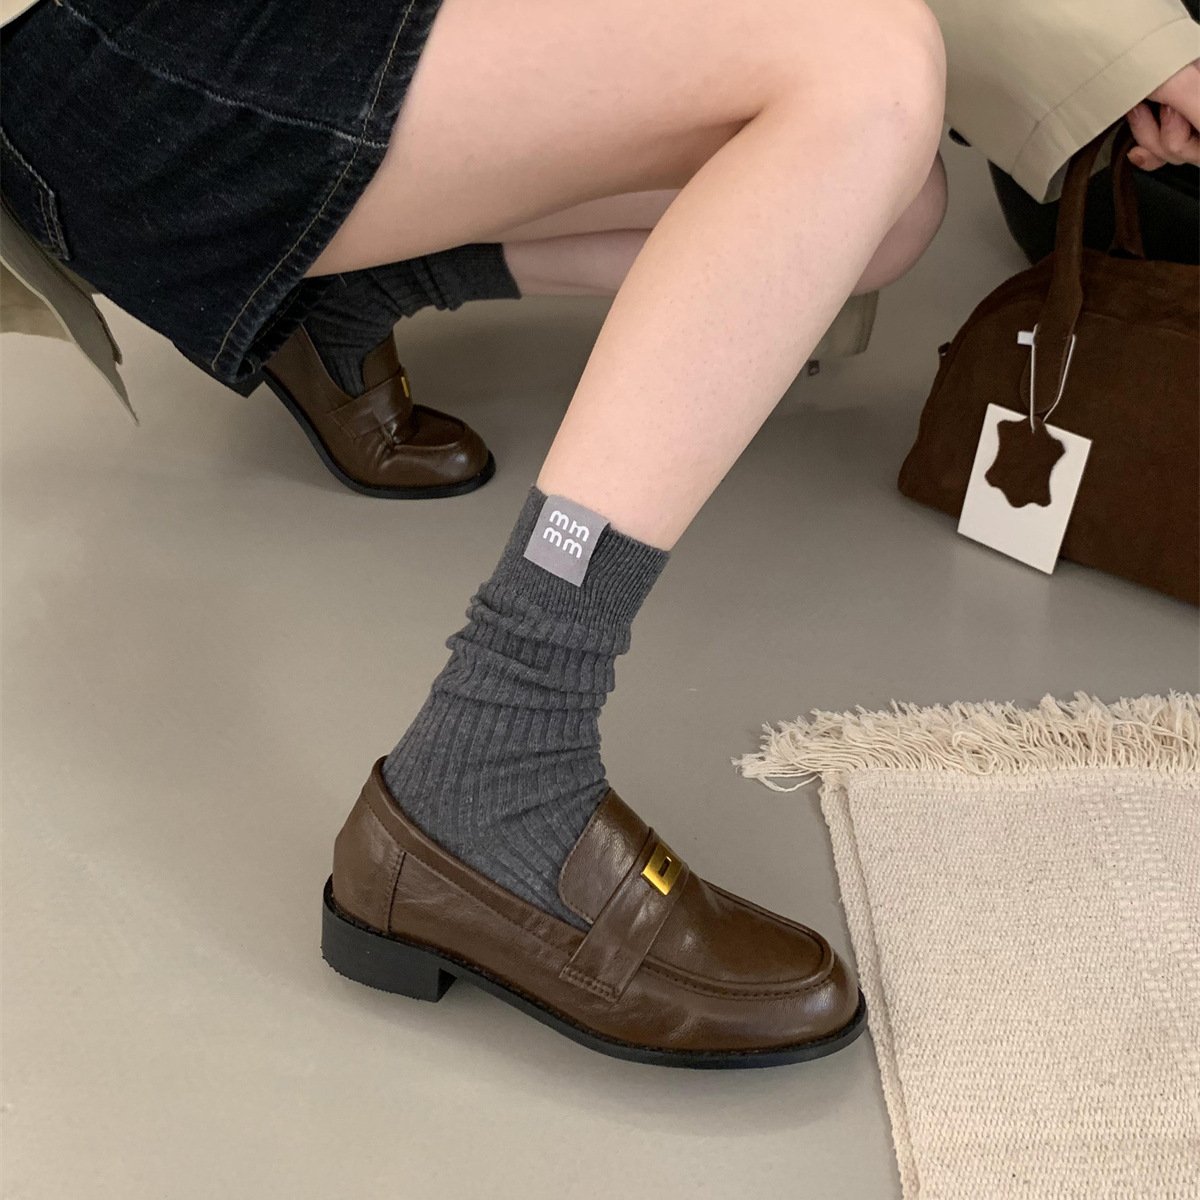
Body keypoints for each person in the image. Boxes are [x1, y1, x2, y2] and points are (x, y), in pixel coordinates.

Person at [0, 0, 1189, 1067]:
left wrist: (1118, 50)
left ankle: (347, 296)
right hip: (123, 57)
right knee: (863, 75)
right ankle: (496, 748)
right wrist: (1122, 45)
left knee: (885, 197)